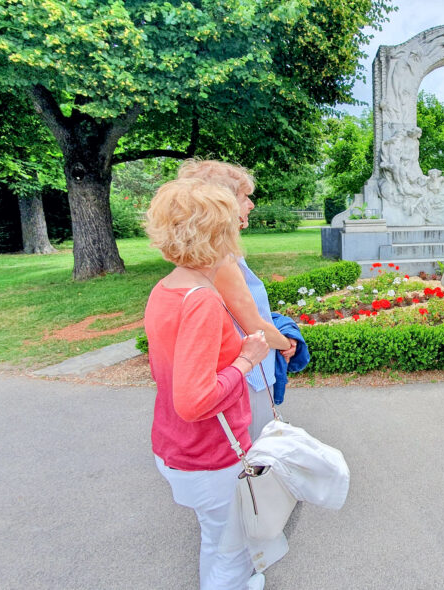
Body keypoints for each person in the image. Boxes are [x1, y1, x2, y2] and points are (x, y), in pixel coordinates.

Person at [144, 178, 269, 589]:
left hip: (174, 446)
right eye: (233, 220)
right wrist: (246, 361)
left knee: (216, 541)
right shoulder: (202, 299)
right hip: (209, 453)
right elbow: (194, 401)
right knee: (229, 552)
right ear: (217, 233)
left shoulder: (166, 289)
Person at [177, 159, 298, 439]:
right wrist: (288, 343)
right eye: (245, 197)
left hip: (247, 370)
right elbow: (253, 324)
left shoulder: (215, 253)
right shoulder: (218, 260)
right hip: (248, 376)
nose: (251, 205)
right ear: (224, 204)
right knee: (255, 451)